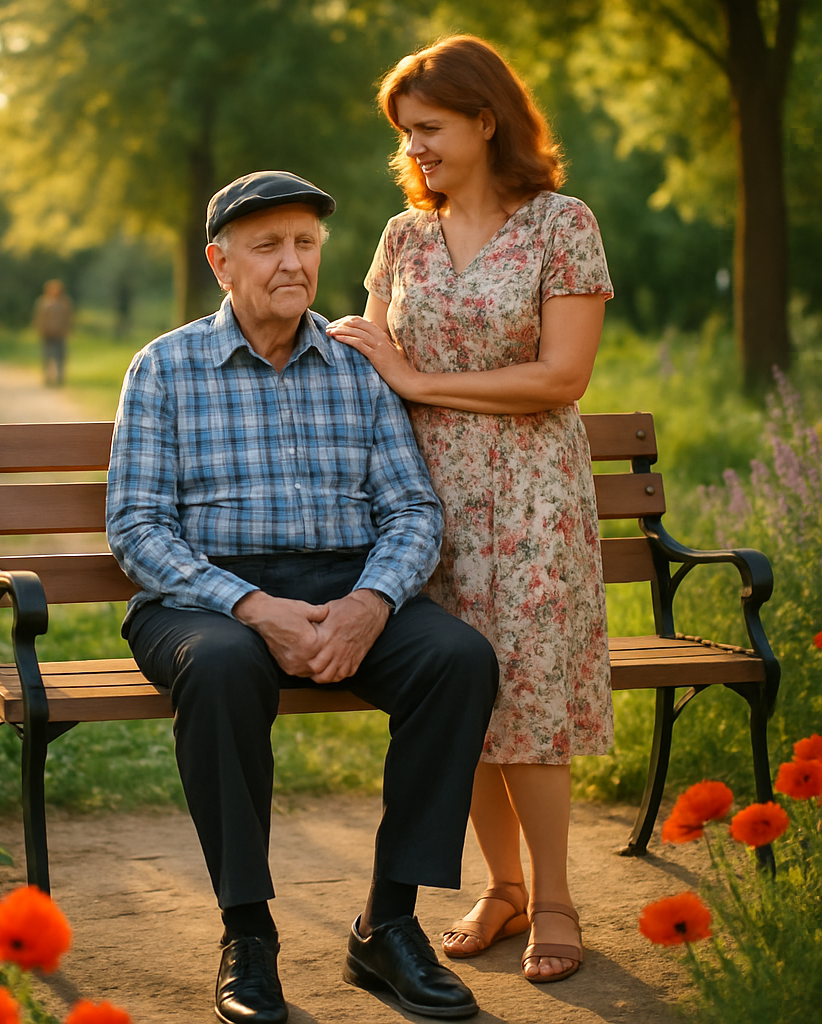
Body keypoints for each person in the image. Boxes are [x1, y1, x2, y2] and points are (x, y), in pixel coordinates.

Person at [106, 170, 500, 1023]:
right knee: (218, 670)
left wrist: (371, 603)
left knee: (458, 658)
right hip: (204, 599)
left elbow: (411, 508)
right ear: (221, 262)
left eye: (306, 244)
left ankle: (388, 925)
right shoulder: (164, 368)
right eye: (268, 246)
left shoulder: (357, 367)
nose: (293, 263)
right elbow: (137, 528)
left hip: (345, 582)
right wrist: (252, 607)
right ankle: (247, 934)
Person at [326, 35, 614, 985]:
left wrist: (416, 376)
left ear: (488, 121)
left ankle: (559, 897)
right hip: (423, 502)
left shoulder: (561, 224)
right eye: (406, 136)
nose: (416, 152)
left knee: (529, 697)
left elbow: (562, 377)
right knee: (466, 695)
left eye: (432, 130)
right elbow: (365, 352)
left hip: (531, 495)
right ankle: (503, 888)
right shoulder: (403, 236)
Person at [32, 278, 74, 386]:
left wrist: (67, 330)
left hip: (59, 334)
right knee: (47, 357)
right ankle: (47, 378)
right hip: (47, 334)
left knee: (60, 358)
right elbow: (39, 318)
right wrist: (40, 330)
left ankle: (59, 378)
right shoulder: (43, 302)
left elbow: (68, 318)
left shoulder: (65, 303)